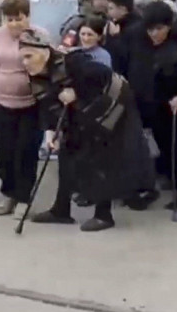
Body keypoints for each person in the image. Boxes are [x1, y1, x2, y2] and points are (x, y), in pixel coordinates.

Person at [20, 30, 153, 231]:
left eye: (28, 56)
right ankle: (61, 210)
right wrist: (50, 133)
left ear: (45, 52)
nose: (25, 62)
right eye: (22, 57)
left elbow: (107, 77)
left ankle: (104, 215)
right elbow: (46, 105)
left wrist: (77, 92)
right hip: (78, 116)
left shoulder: (74, 62)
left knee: (102, 162)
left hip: (109, 112)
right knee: (66, 157)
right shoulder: (38, 77)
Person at [121, 0, 177, 209]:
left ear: (169, 25)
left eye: (159, 29)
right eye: (150, 29)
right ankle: (166, 179)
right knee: (162, 145)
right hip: (153, 101)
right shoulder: (139, 39)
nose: (154, 34)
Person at [0, 0, 47, 217]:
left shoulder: (39, 35)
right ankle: (9, 194)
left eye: (19, 18)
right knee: (3, 151)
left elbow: (49, 70)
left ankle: (24, 198)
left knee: (26, 152)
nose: (14, 24)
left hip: (31, 105)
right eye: (10, 19)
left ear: (28, 16)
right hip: (0, 103)